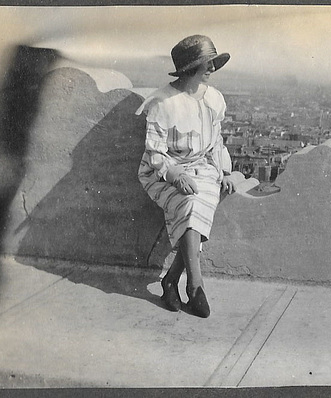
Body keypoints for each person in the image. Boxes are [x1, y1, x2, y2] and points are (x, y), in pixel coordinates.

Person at [135, 35, 238, 318]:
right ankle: (196, 285)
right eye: (207, 64)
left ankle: (172, 281)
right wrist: (174, 174)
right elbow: (154, 153)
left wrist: (224, 170)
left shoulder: (214, 99)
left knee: (199, 202)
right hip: (162, 172)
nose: (212, 69)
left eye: (213, 63)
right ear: (189, 68)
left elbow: (216, 143)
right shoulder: (163, 102)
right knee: (192, 204)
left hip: (203, 167)